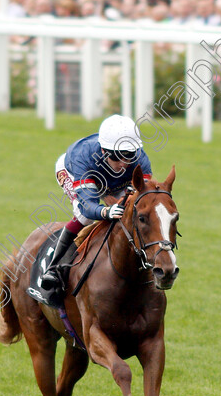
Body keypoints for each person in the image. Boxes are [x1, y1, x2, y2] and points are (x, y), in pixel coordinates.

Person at [40, 114, 152, 290]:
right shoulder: (82, 158)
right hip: (76, 172)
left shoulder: (140, 159)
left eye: (129, 155)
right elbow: (87, 206)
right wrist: (105, 212)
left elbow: (144, 195)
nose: (123, 163)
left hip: (113, 181)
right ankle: (53, 268)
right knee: (84, 218)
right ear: (103, 151)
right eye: (116, 156)